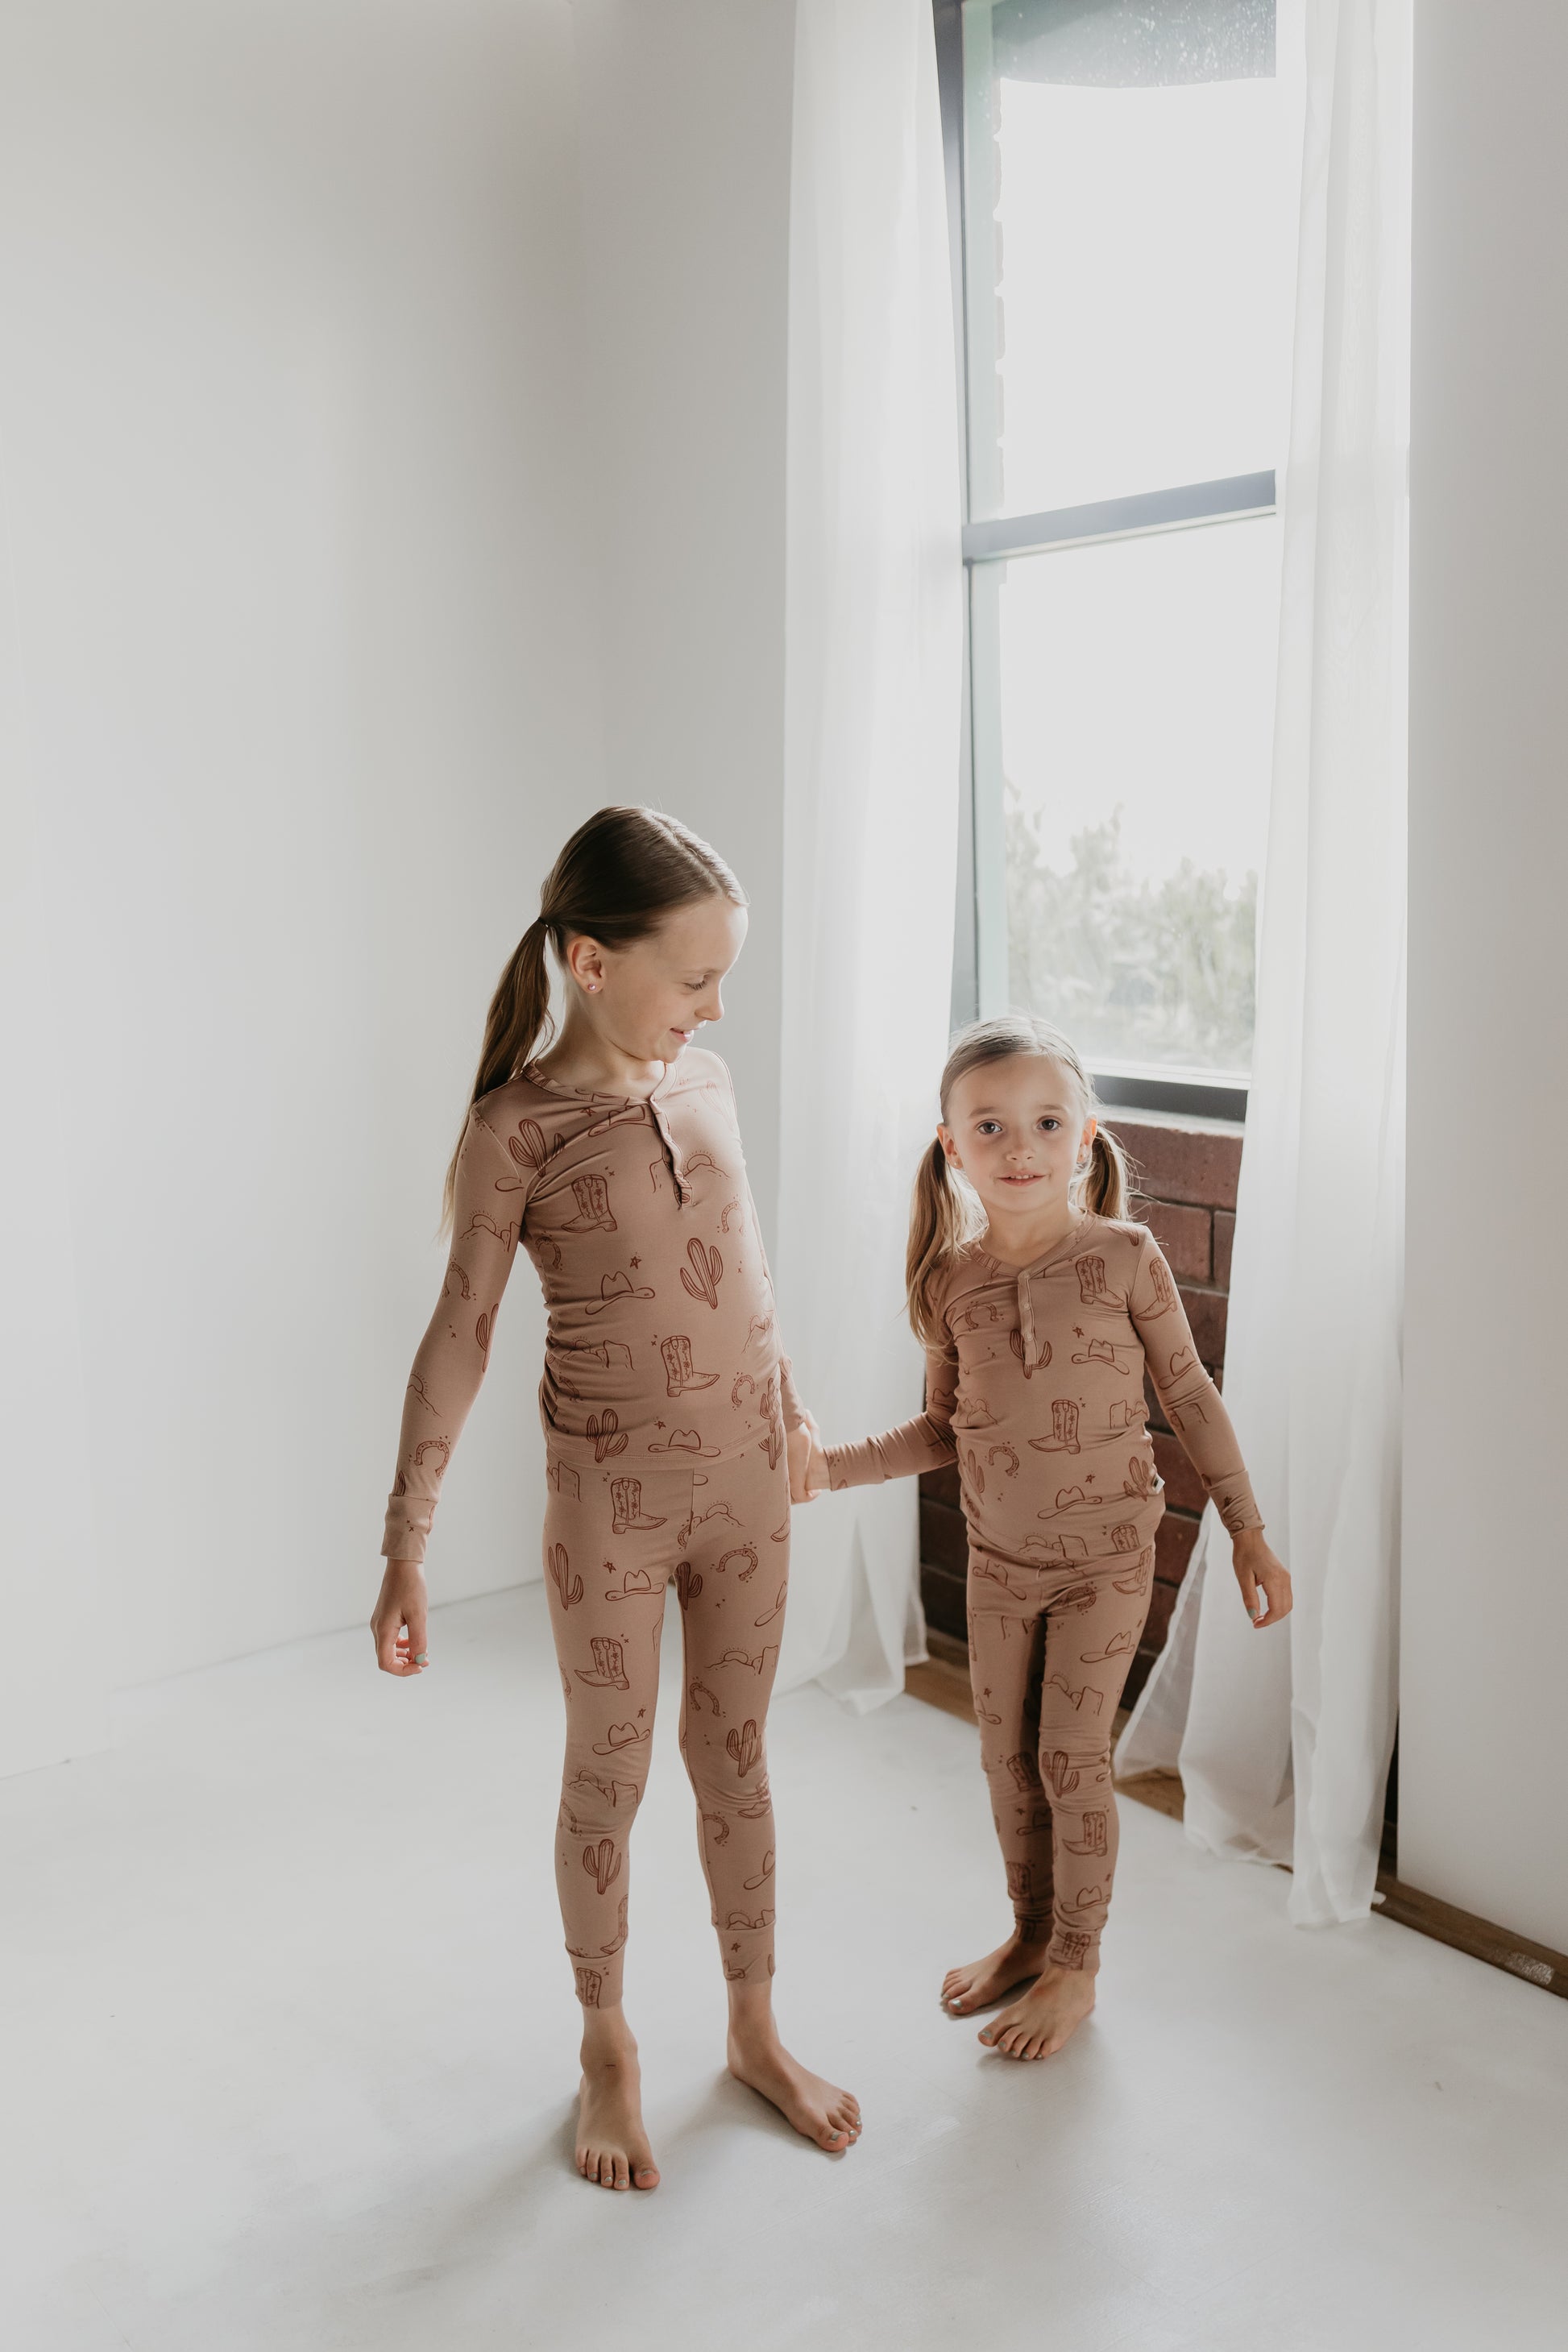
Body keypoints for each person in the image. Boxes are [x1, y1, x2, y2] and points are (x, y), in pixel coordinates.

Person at [372, 806, 861, 2191]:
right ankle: (605, 2041)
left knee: (738, 1759)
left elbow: (742, 1273)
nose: (712, 1010)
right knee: (612, 1770)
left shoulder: (703, 1087)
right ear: (590, 962)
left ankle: (755, 2028)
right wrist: (404, 1545)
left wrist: (794, 1408)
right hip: (614, 1512)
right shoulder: (513, 1131)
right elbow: (457, 1337)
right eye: (693, 978)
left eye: (724, 981)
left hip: (746, 1490)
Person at [790, 1014, 1291, 2062]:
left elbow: (1188, 1395)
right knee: (1002, 1763)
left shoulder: (1122, 1256)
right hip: (999, 1563)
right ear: (949, 1144)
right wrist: (827, 1468)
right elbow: (942, 1427)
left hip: (1105, 1556)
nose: (1019, 1148)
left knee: (1067, 1760)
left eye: (1044, 1123)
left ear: (1084, 1135)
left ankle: (1078, 1963)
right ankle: (1026, 1933)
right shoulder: (949, 1281)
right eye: (990, 1127)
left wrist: (1245, 1530)